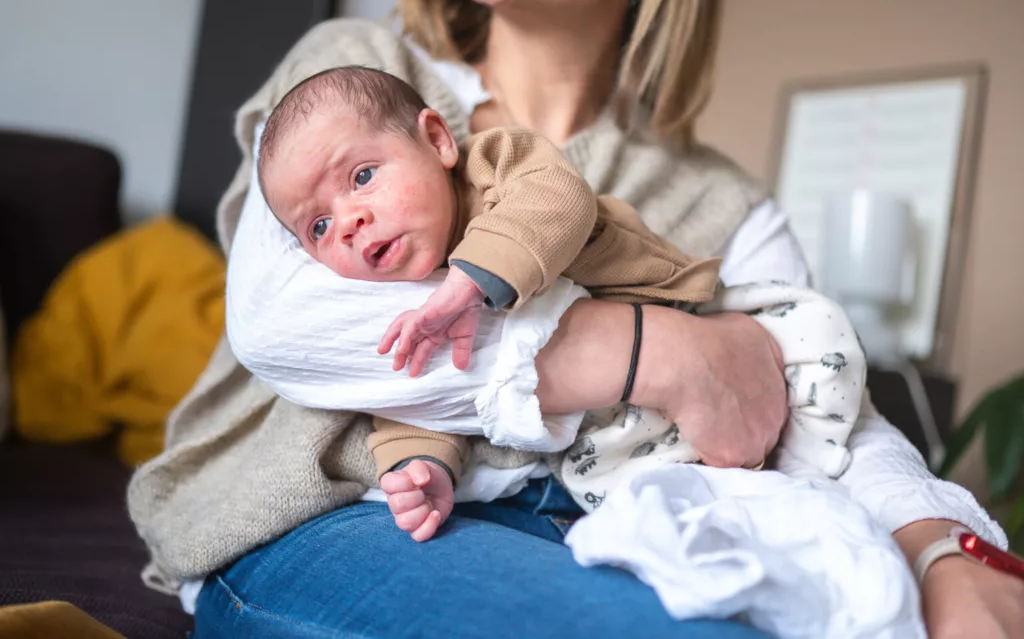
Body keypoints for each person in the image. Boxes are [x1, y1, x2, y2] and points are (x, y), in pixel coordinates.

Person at [127, 0, 1021, 637]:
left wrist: (939, 556)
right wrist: (654, 350)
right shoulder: (355, 78)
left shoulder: (723, 200)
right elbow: (284, 325)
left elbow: (830, 413)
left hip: (606, 515)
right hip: (336, 514)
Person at [253, 64, 866, 544]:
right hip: (615, 440)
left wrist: (469, 282)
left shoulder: (496, 166)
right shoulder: (388, 304)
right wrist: (422, 469)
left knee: (810, 333)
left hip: (680, 313)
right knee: (662, 509)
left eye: (361, 177)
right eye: (318, 229)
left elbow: (555, 200)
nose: (352, 221)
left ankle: (804, 476)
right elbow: (416, 397)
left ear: (437, 141)